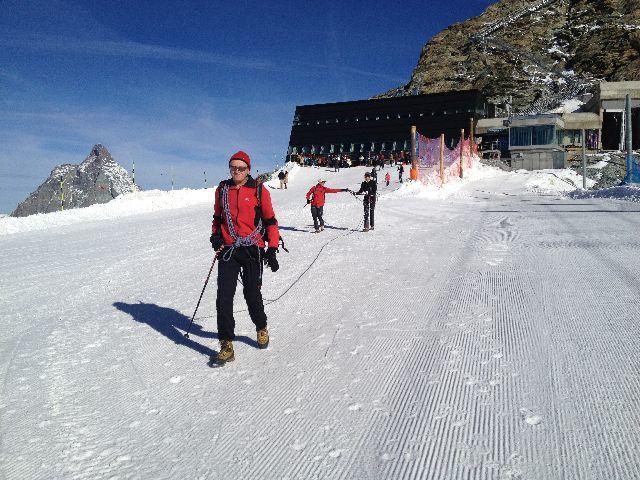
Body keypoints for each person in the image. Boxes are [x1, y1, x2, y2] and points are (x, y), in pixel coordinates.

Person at [209, 151, 280, 365]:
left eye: (241, 168)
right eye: (233, 167)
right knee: (224, 297)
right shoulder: (222, 189)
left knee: (251, 293)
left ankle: (261, 326)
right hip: (229, 249)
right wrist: (215, 236)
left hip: (252, 249)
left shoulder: (258, 190)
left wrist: (272, 248)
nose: (236, 171)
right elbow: (217, 217)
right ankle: (226, 343)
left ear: (248, 169)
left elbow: (270, 221)